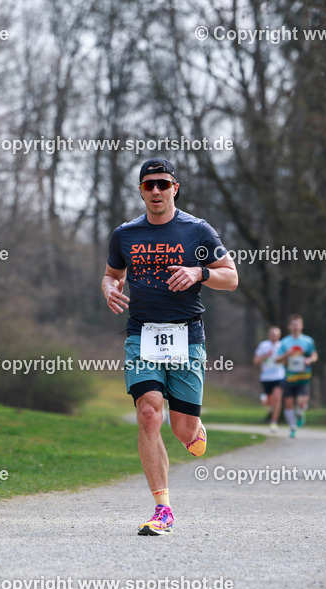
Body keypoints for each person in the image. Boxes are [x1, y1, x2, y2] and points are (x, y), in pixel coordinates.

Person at [101, 158, 237, 536]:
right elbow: (112, 274)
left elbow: (232, 278)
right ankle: (163, 508)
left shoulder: (197, 231)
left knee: (182, 429)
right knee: (149, 413)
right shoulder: (125, 234)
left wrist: (199, 272)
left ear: (175, 188)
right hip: (141, 334)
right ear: (141, 191)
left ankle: (193, 429)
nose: (156, 191)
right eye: (148, 185)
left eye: (163, 184)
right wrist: (110, 290)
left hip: (187, 335)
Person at [276, 314, 318, 438]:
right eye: (293, 324)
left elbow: (314, 355)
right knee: (288, 403)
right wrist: (286, 355)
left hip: (303, 376)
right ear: (289, 326)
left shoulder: (308, 341)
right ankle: (293, 427)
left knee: (301, 402)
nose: (296, 326)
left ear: (302, 326)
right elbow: (277, 359)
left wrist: (310, 360)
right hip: (289, 377)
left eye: (298, 324)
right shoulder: (284, 342)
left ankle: (300, 413)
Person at [253, 325, 285, 432]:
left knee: (277, 398)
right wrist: (266, 356)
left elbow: (286, 362)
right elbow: (256, 361)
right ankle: (265, 400)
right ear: (269, 335)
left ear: (279, 335)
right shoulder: (263, 346)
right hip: (266, 377)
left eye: (276, 334)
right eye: (272, 334)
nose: (274, 336)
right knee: (270, 402)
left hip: (279, 376)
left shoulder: (282, 346)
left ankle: (274, 422)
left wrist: (281, 360)